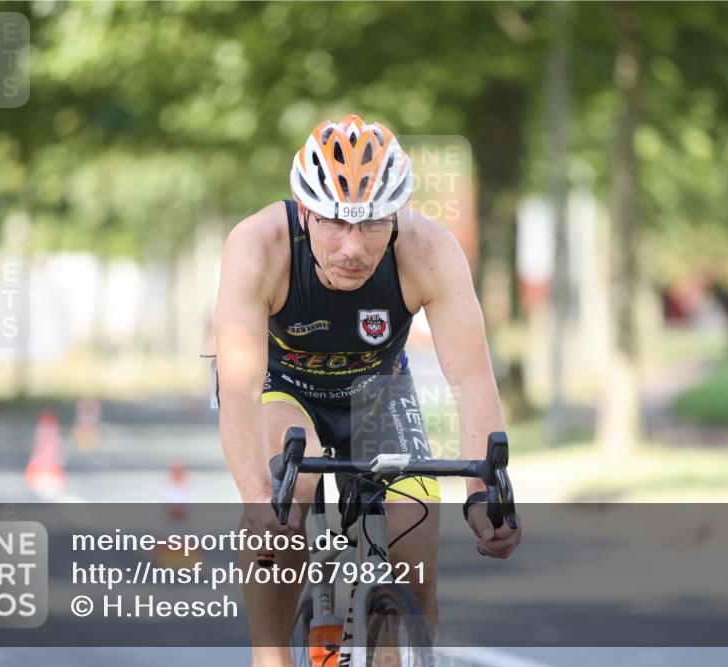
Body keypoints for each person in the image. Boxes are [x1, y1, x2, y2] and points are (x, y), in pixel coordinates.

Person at [214, 114, 521, 666]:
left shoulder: (429, 249)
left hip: (377, 389)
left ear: (398, 216)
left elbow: (473, 380)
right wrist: (257, 498)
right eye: (335, 222)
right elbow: (236, 388)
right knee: (287, 505)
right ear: (304, 210)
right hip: (280, 386)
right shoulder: (258, 245)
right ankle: (270, 658)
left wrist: (484, 494)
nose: (353, 247)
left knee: (415, 562)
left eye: (373, 224)